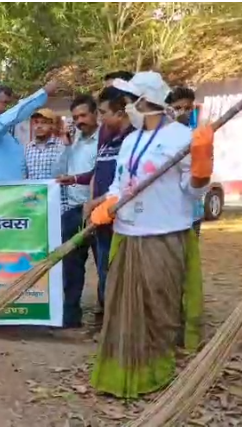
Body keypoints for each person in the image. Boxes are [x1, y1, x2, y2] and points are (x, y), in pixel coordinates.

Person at [88, 71, 210, 398]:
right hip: (127, 233)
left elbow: (194, 192)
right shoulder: (130, 140)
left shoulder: (182, 138)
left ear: (145, 101)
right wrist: (107, 203)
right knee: (121, 309)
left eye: (129, 101)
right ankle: (123, 370)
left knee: (159, 308)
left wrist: (201, 170)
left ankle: (157, 371)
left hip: (163, 233)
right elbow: (121, 183)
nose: (126, 106)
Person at [82, 86, 138, 321]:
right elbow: (97, 174)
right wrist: (91, 203)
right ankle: (108, 321)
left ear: (120, 113)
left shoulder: (133, 141)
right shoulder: (108, 141)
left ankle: (121, 321)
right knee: (104, 270)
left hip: (122, 221)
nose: (100, 118)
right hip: (102, 219)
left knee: (120, 273)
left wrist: (97, 202)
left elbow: (125, 185)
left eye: (104, 113)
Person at [52, 95, 101, 331]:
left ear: (95, 114)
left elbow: (98, 173)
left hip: (99, 210)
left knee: (104, 265)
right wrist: (66, 145)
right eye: (75, 117)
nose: (80, 121)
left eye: (83, 115)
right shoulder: (75, 141)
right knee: (71, 266)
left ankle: (104, 316)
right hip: (73, 210)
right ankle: (70, 316)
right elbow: (59, 171)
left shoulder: (105, 140)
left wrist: (73, 179)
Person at [0, 80, 57, 183]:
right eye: (4, 103)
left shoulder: (6, 132)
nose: (6, 107)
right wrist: (43, 93)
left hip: (11, 189)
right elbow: (7, 119)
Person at [166, 86, 204, 237]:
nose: (183, 112)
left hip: (192, 212)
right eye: (177, 108)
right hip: (169, 213)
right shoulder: (161, 139)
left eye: (187, 108)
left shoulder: (196, 137)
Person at [23, 108, 65, 180]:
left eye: (43, 122)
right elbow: (24, 176)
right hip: (33, 187)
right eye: (36, 122)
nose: (39, 126)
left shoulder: (62, 146)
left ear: (52, 125)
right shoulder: (27, 148)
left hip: (55, 187)